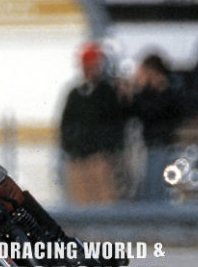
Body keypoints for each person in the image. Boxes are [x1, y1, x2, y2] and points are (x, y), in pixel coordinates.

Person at [59, 42, 126, 204]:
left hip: (100, 157)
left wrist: (107, 149)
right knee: (80, 200)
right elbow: (66, 123)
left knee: (105, 199)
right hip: (78, 157)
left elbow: (116, 123)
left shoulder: (107, 92)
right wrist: (71, 147)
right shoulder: (75, 94)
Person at [128, 53, 183, 202]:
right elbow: (133, 111)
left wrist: (140, 90)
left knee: (156, 185)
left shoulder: (166, 93)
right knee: (148, 184)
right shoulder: (149, 93)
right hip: (150, 144)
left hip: (160, 144)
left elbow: (151, 112)